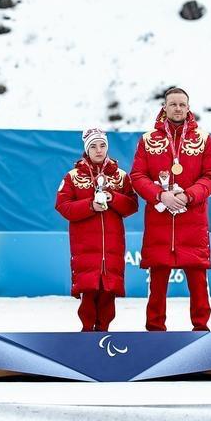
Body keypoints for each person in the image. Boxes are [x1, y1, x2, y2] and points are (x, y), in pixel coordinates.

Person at [130, 87, 211, 331]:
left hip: (193, 222)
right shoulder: (148, 140)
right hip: (159, 223)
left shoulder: (204, 139)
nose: (178, 108)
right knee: (157, 283)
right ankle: (154, 331)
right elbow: (137, 176)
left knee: (198, 282)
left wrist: (188, 196)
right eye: (173, 104)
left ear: (188, 108)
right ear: (165, 107)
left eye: (182, 104)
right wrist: (160, 195)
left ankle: (201, 331)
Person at [55, 128, 138, 331]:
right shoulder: (73, 176)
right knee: (88, 294)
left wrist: (113, 198)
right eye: (93, 146)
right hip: (85, 248)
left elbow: (132, 205)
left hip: (112, 249)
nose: (98, 150)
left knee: (108, 294)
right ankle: (86, 333)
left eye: (102, 145)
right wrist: (90, 206)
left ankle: (103, 333)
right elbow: (63, 206)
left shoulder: (121, 176)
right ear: (86, 149)